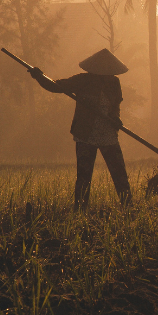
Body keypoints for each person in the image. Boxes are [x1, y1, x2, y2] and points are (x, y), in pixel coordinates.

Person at [30, 49, 132, 209]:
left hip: (108, 135)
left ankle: (128, 207)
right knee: (84, 177)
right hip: (86, 134)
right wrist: (39, 76)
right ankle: (80, 210)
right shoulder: (83, 81)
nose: (107, 75)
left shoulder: (114, 83)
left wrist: (116, 119)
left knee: (119, 174)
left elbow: (115, 106)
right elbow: (56, 86)